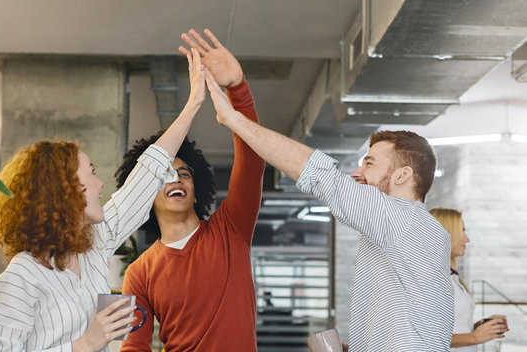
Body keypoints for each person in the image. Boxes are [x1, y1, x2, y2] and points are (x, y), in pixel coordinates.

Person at [0, 48, 208, 351]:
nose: (101, 184)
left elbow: (144, 177)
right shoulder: (21, 277)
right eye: (91, 172)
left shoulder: (92, 247)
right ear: (66, 188)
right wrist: (84, 344)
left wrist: (193, 105)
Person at [205, 74, 454, 351]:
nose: (357, 172)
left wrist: (234, 118)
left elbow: (319, 175)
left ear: (402, 176)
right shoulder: (413, 231)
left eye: (369, 163)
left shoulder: (403, 219)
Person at [116, 28, 265, 352]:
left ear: (197, 192)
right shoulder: (140, 272)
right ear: (147, 195)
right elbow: (134, 346)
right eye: (165, 175)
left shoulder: (231, 229)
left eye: (184, 174)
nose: (177, 179)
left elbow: (252, 160)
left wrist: (237, 88)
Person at [429, 208, 509, 351]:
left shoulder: (452, 276)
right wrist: (475, 337)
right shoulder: (429, 278)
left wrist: (479, 327)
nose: (467, 239)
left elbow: (452, 327)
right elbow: (428, 334)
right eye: (462, 231)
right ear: (446, 233)